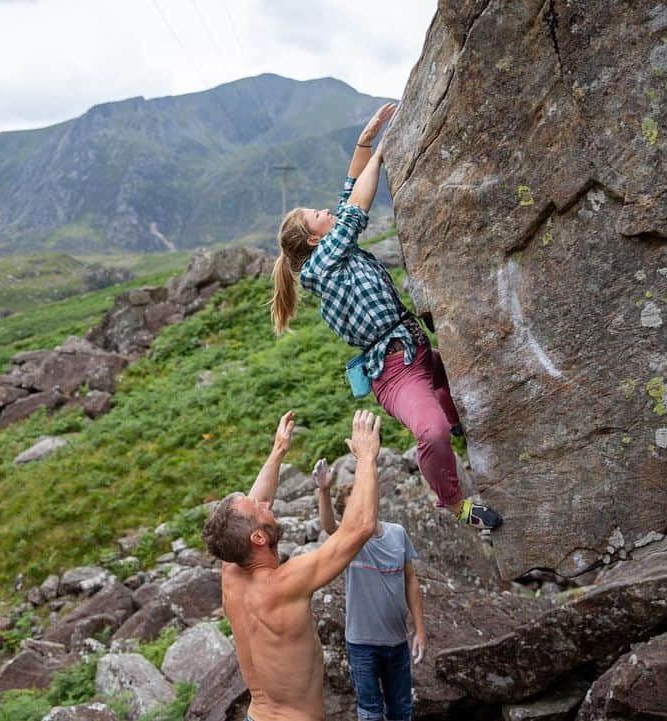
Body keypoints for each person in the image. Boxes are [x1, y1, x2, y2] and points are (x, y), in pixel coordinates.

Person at [270, 102, 501, 530]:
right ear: (313, 238)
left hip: (415, 348)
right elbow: (356, 205)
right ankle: (455, 504)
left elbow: (349, 188)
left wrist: (367, 137)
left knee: (459, 387)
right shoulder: (321, 267)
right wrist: (382, 153)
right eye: (317, 215)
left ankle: (459, 427)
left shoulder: (330, 247)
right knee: (428, 432)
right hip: (395, 371)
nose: (326, 211)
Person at [202, 410, 382, 721]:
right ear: (258, 538)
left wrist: (278, 451)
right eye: (259, 508)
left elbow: (244, 517)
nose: (266, 503)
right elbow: (360, 527)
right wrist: (366, 457)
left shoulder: (232, 571)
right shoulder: (284, 584)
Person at [316, 460, 425, 721]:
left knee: (401, 711)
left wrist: (420, 630)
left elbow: (411, 581)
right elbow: (329, 526)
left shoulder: (397, 533)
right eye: (357, 502)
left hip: (397, 641)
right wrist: (323, 491)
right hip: (361, 645)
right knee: (370, 713)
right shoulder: (350, 540)